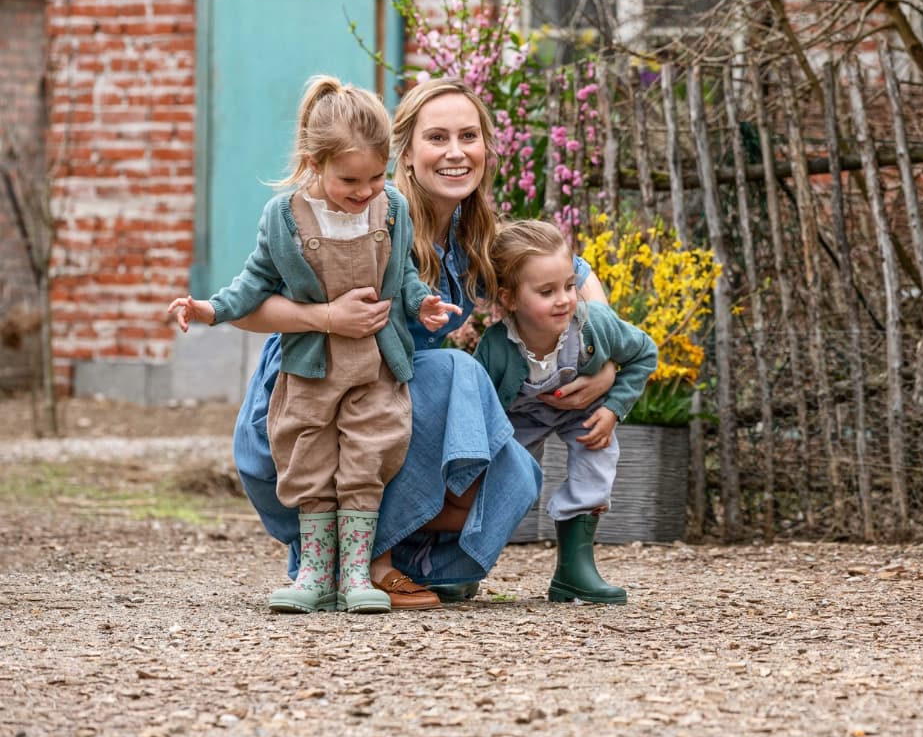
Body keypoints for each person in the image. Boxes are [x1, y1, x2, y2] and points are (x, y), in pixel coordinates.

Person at [225, 77, 616, 609]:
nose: (456, 152)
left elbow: (571, 273)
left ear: (486, 148)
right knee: (458, 373)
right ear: (404, 153)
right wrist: (328, 317)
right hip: (311, 396)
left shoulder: (473, 237)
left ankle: (412, 559)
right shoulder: (369, 215)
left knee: (515, 474)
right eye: (437, 137)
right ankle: (368, 562)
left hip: (387, 401)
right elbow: (248, 306)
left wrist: (604, 358)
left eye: (468, 136)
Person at [168, 75, 459, 614]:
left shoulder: (391, 208)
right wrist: (210, 308)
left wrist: (422, 303)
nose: (364, 191)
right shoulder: (285, 217)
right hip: (311, 367)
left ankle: (356, 573)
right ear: (314, 162)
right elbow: (256, 281)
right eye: (350, 179)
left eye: (375, 176)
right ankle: (315, 573)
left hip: (375, 366)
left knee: (367, 458)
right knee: (309, 458)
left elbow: (402, 273)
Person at [474, 220, 657, 605]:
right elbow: (481, 401)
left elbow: (644, 353)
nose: (564, 300)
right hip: (520, 416)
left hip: (583, 412)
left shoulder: (595, 326)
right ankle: (463, 565)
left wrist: (613, 409)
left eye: (570, 286)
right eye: (547, 292)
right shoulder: (496, 347)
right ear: (509, 299)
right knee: (502, 476)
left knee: (596, 459)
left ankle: (575, 569)